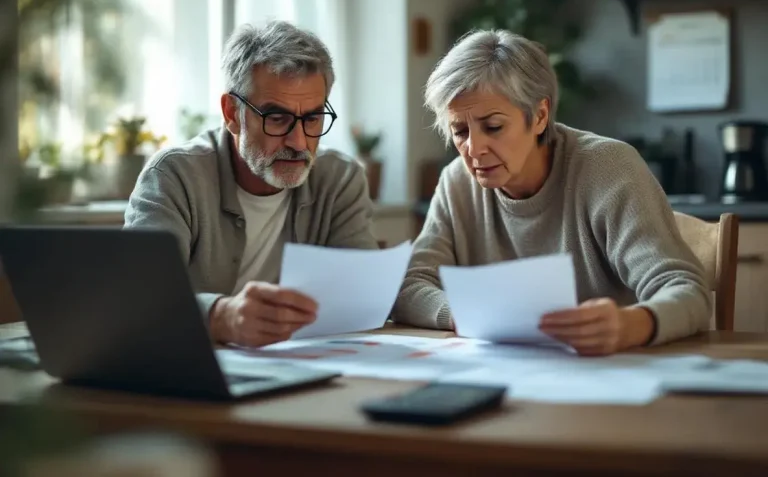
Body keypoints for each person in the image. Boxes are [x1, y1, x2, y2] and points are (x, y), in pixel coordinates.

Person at [392, 29, 712, 356]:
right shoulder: (456, 182)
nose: (474, 149)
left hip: (610, 369)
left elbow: (688, 291)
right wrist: (461, 313)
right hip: (505, 372)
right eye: (460, 131)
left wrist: (630, 325)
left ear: (540, 116)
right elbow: (408, 287)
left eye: (493, 127)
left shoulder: (608, 168)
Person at [125, 21, 379, 347]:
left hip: (303, 363)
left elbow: (361, 297)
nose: (299, 142)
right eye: (277, 118)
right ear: (232, 113)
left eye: (312, 119)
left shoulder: (341, 178)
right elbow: (139, 297)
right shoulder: (173, 176)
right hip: (194, 366)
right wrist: (222, 318)